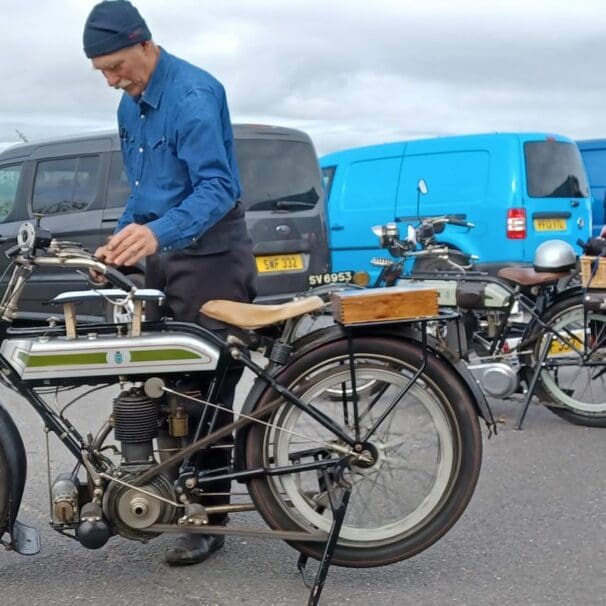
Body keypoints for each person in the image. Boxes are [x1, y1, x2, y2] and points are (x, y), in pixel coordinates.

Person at [82, 0, 257, 566]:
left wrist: (157, 235)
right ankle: (164, 495)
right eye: (102, 72)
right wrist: (119, 242)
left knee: (206, 392)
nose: (112, 81)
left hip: (211, 256)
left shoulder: (192, 96)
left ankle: (209, 521)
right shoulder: (131, 107)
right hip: (162, 252)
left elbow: (217, 188)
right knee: (155, 378)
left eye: (115, 67)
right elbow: (144, 191)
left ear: (145, 44)